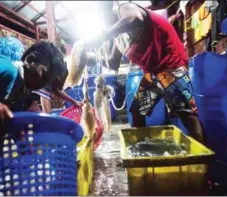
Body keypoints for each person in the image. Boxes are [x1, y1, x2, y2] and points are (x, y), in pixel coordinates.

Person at [86, 1, 204, 143]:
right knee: (137, 111)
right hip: (153, 74)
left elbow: (136, 18)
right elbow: (113, 62)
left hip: (170, 65)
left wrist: (106, 34)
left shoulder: (125, 8)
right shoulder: (118, 36)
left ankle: (203, 157)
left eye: (101, 14)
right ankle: (142, 148)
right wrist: (91, 58)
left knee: (185, 113)